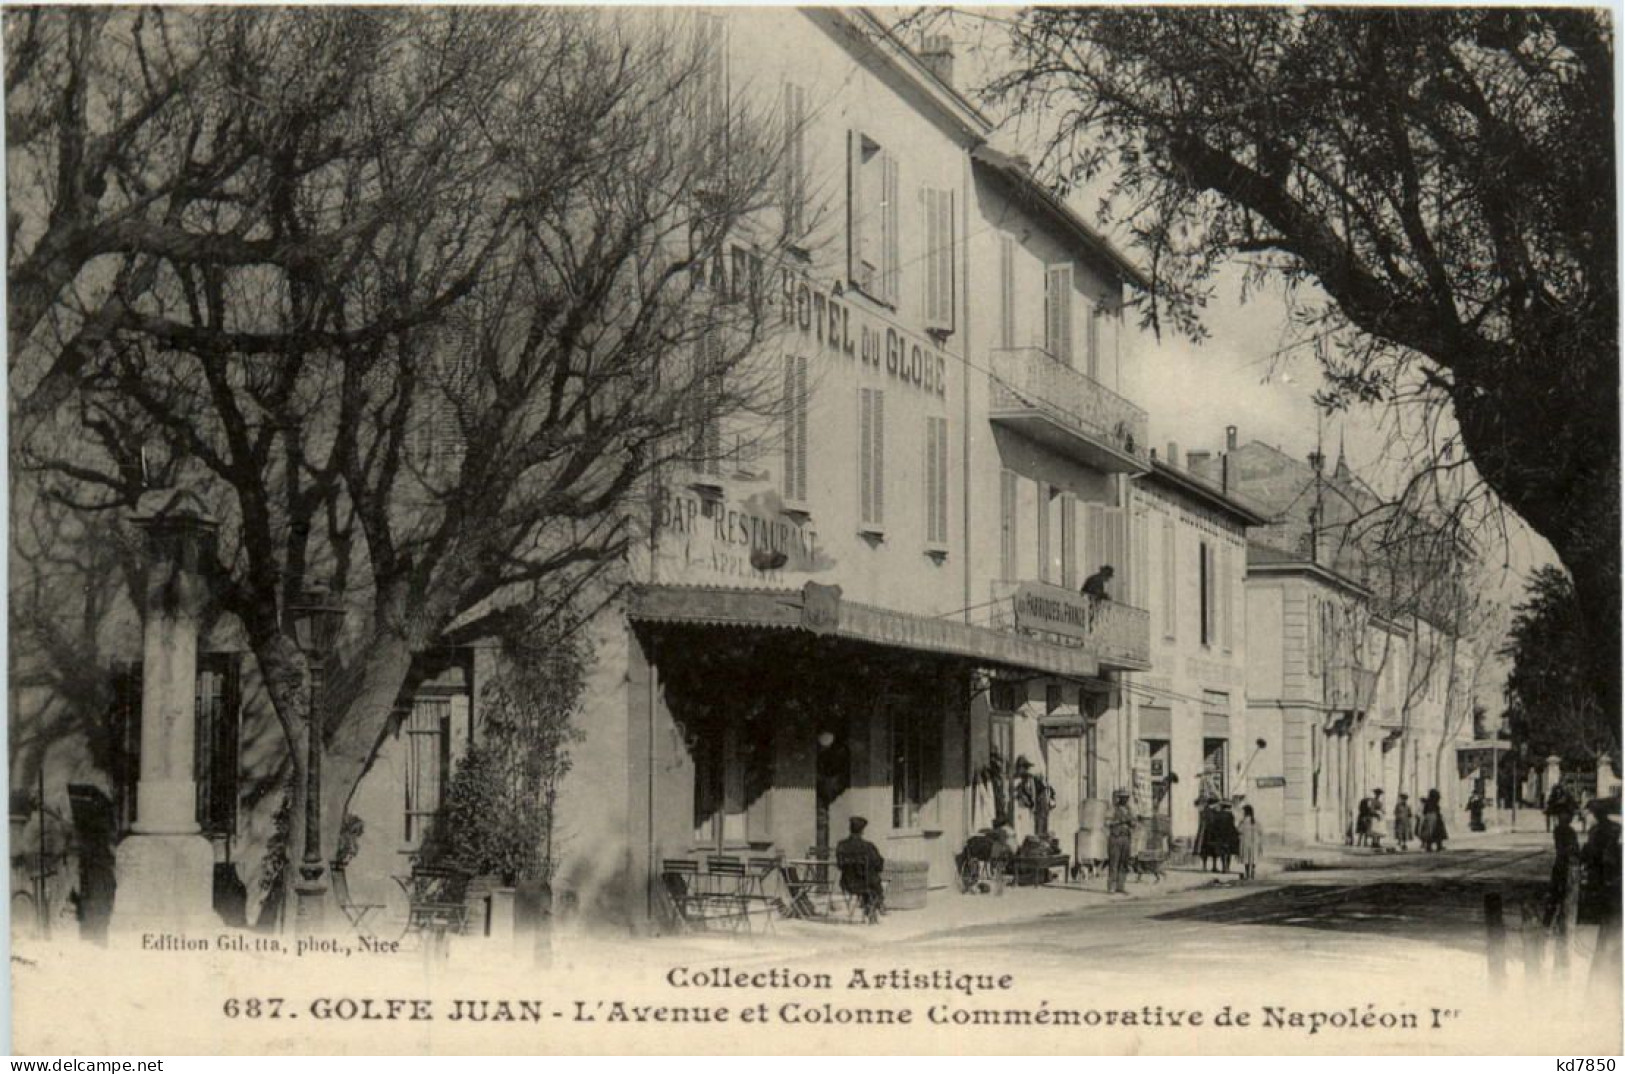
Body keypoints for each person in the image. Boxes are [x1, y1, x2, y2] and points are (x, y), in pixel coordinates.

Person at [836, 816, 886, 922]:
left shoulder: (841, 845)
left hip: (847, 884)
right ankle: (875, 905)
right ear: (862, 830)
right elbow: (879, 865)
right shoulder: (868, 846)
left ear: (850, 829)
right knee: (873, 880)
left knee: (868, 879)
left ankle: (870, 905)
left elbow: (839, 865)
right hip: (866, 884)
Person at [1106, 789, 1137, 895]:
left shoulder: (1129, 809)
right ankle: (1111, 886)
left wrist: (1132, 822)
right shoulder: (1113, 809)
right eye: (1123, 797)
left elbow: (1134, 823)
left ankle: (1121, 886)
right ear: (1119, 798)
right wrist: (1120, 821)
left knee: (1124, 863)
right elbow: (1107, 822)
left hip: (1126, 838)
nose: (1125, 799)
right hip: (1115, 837)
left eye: (1126, 797)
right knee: (1114, 862)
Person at [1209, 800, 1241, 873]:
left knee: (1222, 852)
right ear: (1228, 807)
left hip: (1220, 835)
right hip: (1229, 835)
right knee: (1229, 852)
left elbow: (1215, 825)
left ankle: (1223, 867)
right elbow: (1232, 825)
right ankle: (1228, 867)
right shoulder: (1230, 815)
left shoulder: (1218, 815)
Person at [1238, 804, 1265, 881]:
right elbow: (1260, 831)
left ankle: (1247, 874)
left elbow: (1239, 830)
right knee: (1253, 857)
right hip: (1254, 842)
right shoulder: (1256, 821)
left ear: (1246, 813)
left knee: (1246, 858)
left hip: (1246, 842)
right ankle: (1252, 873)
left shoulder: (1243, 822)